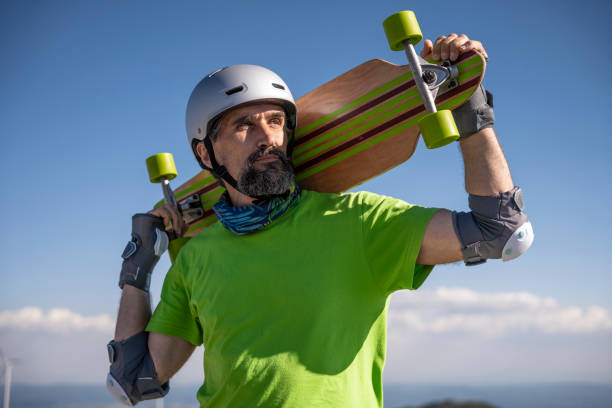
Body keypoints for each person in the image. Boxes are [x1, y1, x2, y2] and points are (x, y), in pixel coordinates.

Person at [106, 35, 533, 407]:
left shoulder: (360, 222)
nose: (268, 137)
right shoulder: (196, 258)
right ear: (205, 154)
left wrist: (470, 109)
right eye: (244, 125)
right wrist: (138, 262)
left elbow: (500, 231)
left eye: (276, 121)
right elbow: (133, 380)